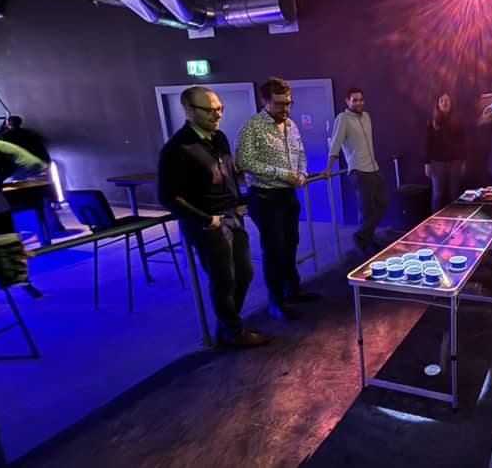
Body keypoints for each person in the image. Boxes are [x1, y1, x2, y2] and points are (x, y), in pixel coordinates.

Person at [158, 86, 270, 348]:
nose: (217, 114)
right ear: (188, 110)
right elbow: (167, 197)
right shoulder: (177, 148)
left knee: (244, 274)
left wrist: (239, 202)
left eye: (220, 109)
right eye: (209, 110)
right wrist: (207, 220)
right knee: (223, 279)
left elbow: (228, 174)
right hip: (208, 224)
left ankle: (228, 325)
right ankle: (232, 331)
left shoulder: (219, 138)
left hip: (232, 216)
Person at [236, 77, 320, 322]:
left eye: (289, 103)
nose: (286, 109)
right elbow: (243, 161)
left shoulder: (291, 125)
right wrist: (282, 173)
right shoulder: (252, 126)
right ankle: (276, 302)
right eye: (280, 103)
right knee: (274, 250)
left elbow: (300, 154)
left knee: (291, 243)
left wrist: (302, 173)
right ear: (265, 101)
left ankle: (293, 290)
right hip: (265, 197)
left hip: (288, 196)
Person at [0, 137, 46, 309]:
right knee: (11, 250)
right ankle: (22, 284)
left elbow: (34, 163)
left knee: (7, 250)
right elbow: (35, 163)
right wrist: (11, 176)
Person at [326, 87, 389, 253]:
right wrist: (328, 168)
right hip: (359, 171)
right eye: (354, 100)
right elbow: (335, 143)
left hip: (374, 167)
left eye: (361, 100)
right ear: (347, 101)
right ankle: (366, 243)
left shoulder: (366, 116)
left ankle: (362, 235)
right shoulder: (343, 118)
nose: (358, 103)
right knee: (366, 210)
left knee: (383, 204)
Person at [424, 93, 467, 211]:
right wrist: (427, 163)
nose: (444, 103)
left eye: (447, 100)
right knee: (438, 195)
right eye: (441, 100)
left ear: (451, 103)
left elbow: (462, 142)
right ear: (438, 104)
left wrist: (464, 161)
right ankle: (435, 220)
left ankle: (455, 220)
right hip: (437, 163)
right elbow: (428, 143)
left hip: (455, 163)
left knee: (455, 194)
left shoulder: (458, 120)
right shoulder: (432, 122)